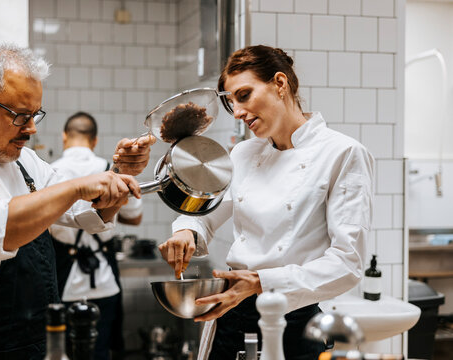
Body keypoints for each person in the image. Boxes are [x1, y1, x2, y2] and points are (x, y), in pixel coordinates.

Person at [0, 44, 154, 360]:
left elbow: (85, 214)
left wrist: (119, 175)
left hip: (36, 344)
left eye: (35, 114)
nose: (31, 128)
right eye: (20, 116)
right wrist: (77, 186)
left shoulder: (23, 161)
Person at [158, 45, 374, 360]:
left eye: (244, 95)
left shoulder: (342, 153)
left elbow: (347, 263)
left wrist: (260, 282)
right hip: (231, 312)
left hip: (294, 320)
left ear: (280, 84)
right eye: (232, 102)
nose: (239, 112)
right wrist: (186, 232)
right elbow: (207, 213)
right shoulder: (244, 153)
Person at [50, 111, 144, 360]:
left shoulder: (48, 172)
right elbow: (134, 217)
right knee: (100, 352)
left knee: (60, 352)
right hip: (103, 282)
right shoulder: (109, 170)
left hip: (62, 283)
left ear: (64, 137)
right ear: (94, 140)